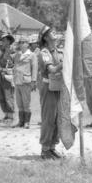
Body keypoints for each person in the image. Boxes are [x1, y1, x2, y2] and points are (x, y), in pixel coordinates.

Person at [38, 26, 63, 160]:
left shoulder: (59, 52)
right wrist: (64, 64)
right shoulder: (44, 52)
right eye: (52, 32)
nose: (55, 33)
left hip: (59, 87)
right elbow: (52, 70)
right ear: (46, 37)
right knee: (48, 119)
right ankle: (45, 149)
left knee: (58, 119)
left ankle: (52, 147)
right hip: (48, 88)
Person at [13, 35, 38, 129]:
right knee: (19, 103)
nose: (21, 44)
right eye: (20, 42)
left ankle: (27, 122)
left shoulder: (32, 55)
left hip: (26, 81)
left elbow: (34, 68)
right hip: (17, 81)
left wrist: (34, 81)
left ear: (28, 44)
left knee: (26, 103)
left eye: (23, 42)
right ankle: (21, 121)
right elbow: (14, 66)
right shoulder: (17, 55)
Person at [0, 32, 16, 125]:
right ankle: (6, 114)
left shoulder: (12, 51)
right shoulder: (2, 51)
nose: (2, 42)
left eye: (4, 40)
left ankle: (11, 115)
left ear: (8, 41)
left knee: (8, 96)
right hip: (1, 75)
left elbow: (13, 64)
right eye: (2, 40)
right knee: (1, 97)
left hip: (8, 76)